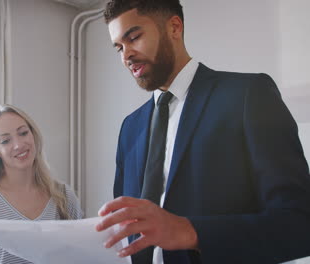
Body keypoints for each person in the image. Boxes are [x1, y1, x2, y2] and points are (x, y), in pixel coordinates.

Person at [94, 0, 310, 264]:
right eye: (119, 47)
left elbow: (299, 223)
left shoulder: (248, 95)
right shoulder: (130, 127)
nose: (126, 55)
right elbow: (126, 223)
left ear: (174, 27)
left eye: (134, 37)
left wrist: (190, 231)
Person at [0, 104, 83, 264]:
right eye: (5, 141)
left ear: (33, 135)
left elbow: (79, 255)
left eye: (23, 133)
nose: (18, 145)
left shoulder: (64, 196)